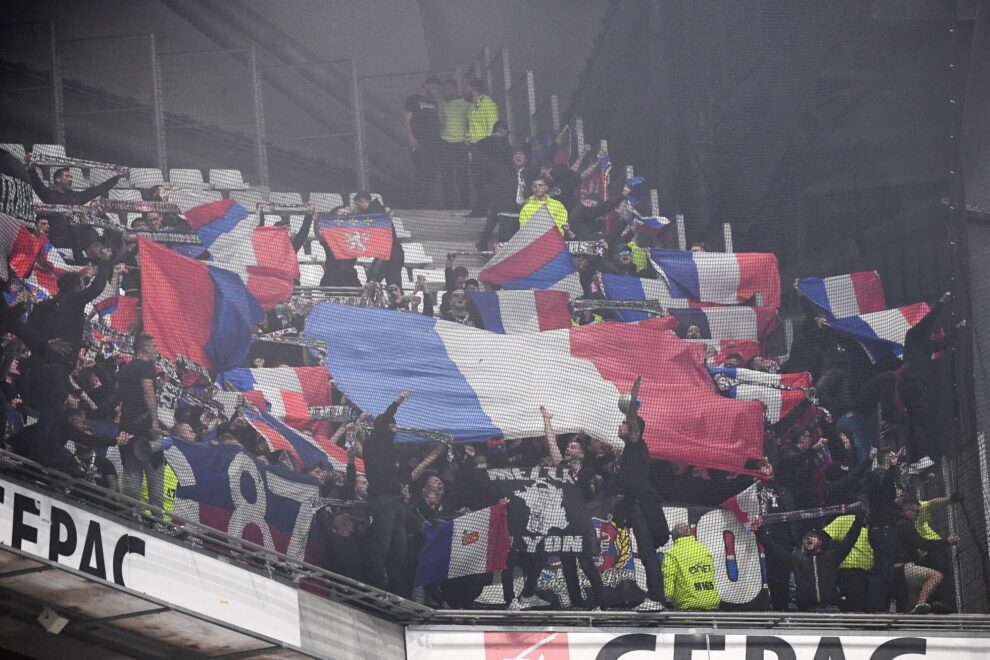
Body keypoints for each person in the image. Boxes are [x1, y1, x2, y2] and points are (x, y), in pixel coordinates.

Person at [615, 404, 669, 611]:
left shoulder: (636, 444)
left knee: (647, 552)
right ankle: (656, 596)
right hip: (636, 505)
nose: (620, 426)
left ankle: (656, 597)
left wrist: (631, 404)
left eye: (624, 424)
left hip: (642, 505)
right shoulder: (629, 450)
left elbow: (633, 425)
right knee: (645, 552)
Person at [757, 513, 865, 613]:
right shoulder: (796, 559)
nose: (808, 538)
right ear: (802, 544)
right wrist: (759, 531)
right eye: (805, 538)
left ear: (820, 542)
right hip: (806, 611)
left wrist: (859, 519)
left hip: (832, 609)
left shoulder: (831, 557)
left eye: (813, 536)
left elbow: (849, 540)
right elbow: (774, 549)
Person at [898, 291, 954, 474]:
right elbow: (928, 320)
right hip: (912, 380)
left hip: (911, 381)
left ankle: (914, 460)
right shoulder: (914, 334)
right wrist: (941, 302)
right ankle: (919, 457)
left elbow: (941, 344)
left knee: (916, 418)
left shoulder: (922, 346)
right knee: (919, 417)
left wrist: (959, 328)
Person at [363, 390, 413, 596]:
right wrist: (396, 403)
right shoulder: (373, 444)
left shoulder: (390, 450)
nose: (394, 427)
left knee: (399, 552)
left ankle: (397, 592)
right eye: (391, 424)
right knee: (381, 547)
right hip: (382, 501)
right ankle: (378, 589)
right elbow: (383, 422)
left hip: (395, 503)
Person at [26, 153, 127, 250]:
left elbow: (98, 189)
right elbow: (37, 184)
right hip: (56, 239)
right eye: (67, 176)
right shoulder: (49, 195)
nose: (70, 179)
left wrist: (117, 178)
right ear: (57, 179)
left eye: (71, 177)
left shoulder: (77, 196)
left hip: (77, 241)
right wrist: (31, 168)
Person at [116, 333, 165, 515]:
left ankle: (132, 518)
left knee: (132, 479)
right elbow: (147, 391)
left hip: (127, 429)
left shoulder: (125, 370)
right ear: (145, 348)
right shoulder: (147, 367)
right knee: (155, 483)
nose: (157, 351)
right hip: (145, 431)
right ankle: (158, 523)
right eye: (155, 346)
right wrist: (154, 421)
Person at [896, 498, 958, 613]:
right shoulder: (904, 524)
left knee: (911, 604)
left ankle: (916, 607)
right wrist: (946, 542)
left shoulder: (901, 524)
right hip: (904, 567)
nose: (917, 515)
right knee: (936, 576)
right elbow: (921, 543)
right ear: (907, 509)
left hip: (903, 568)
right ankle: (921, 602)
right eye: (916, 512)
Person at [403, 76, 443, 209]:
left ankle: (427, 202)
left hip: (433, 142)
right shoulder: (414, 99)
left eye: (437, 88)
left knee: (432, 172)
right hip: (420, 141)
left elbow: (441, 122)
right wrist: (411, 137)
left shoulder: (434, 102)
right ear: (425, 85)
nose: (434, 90)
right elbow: (407, 120)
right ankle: (414, 201)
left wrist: (439, 103)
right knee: (421, 170)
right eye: (432, 87)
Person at [662, 523, 720, 611]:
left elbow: (668, 576)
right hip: (712, 602)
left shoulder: (672, 553)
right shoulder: (703, 548)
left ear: (673, 537)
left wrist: (667, 597)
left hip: (688, 604)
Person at [465, 78, 500, 216]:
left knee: (486, 180)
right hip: (474, 148)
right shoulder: (471, 108)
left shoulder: (488, 104)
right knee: (477, 180)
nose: (464, 90)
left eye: (466, 87)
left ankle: (489, 209)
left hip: (486, 148)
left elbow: (494, 128)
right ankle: (479, 209)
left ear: (472, 88)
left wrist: (490, 149)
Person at [439, 79, 470, 208]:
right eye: (444, 90)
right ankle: (449, 205)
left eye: (448, 89)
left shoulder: (466, 103)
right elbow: (441, 122)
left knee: (463, 174)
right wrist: (440, 104)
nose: (446, 92)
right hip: (446, 143)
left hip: (462, 144)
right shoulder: (443, 104)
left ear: (455, 89)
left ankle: (465, 204)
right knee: (447, 175)